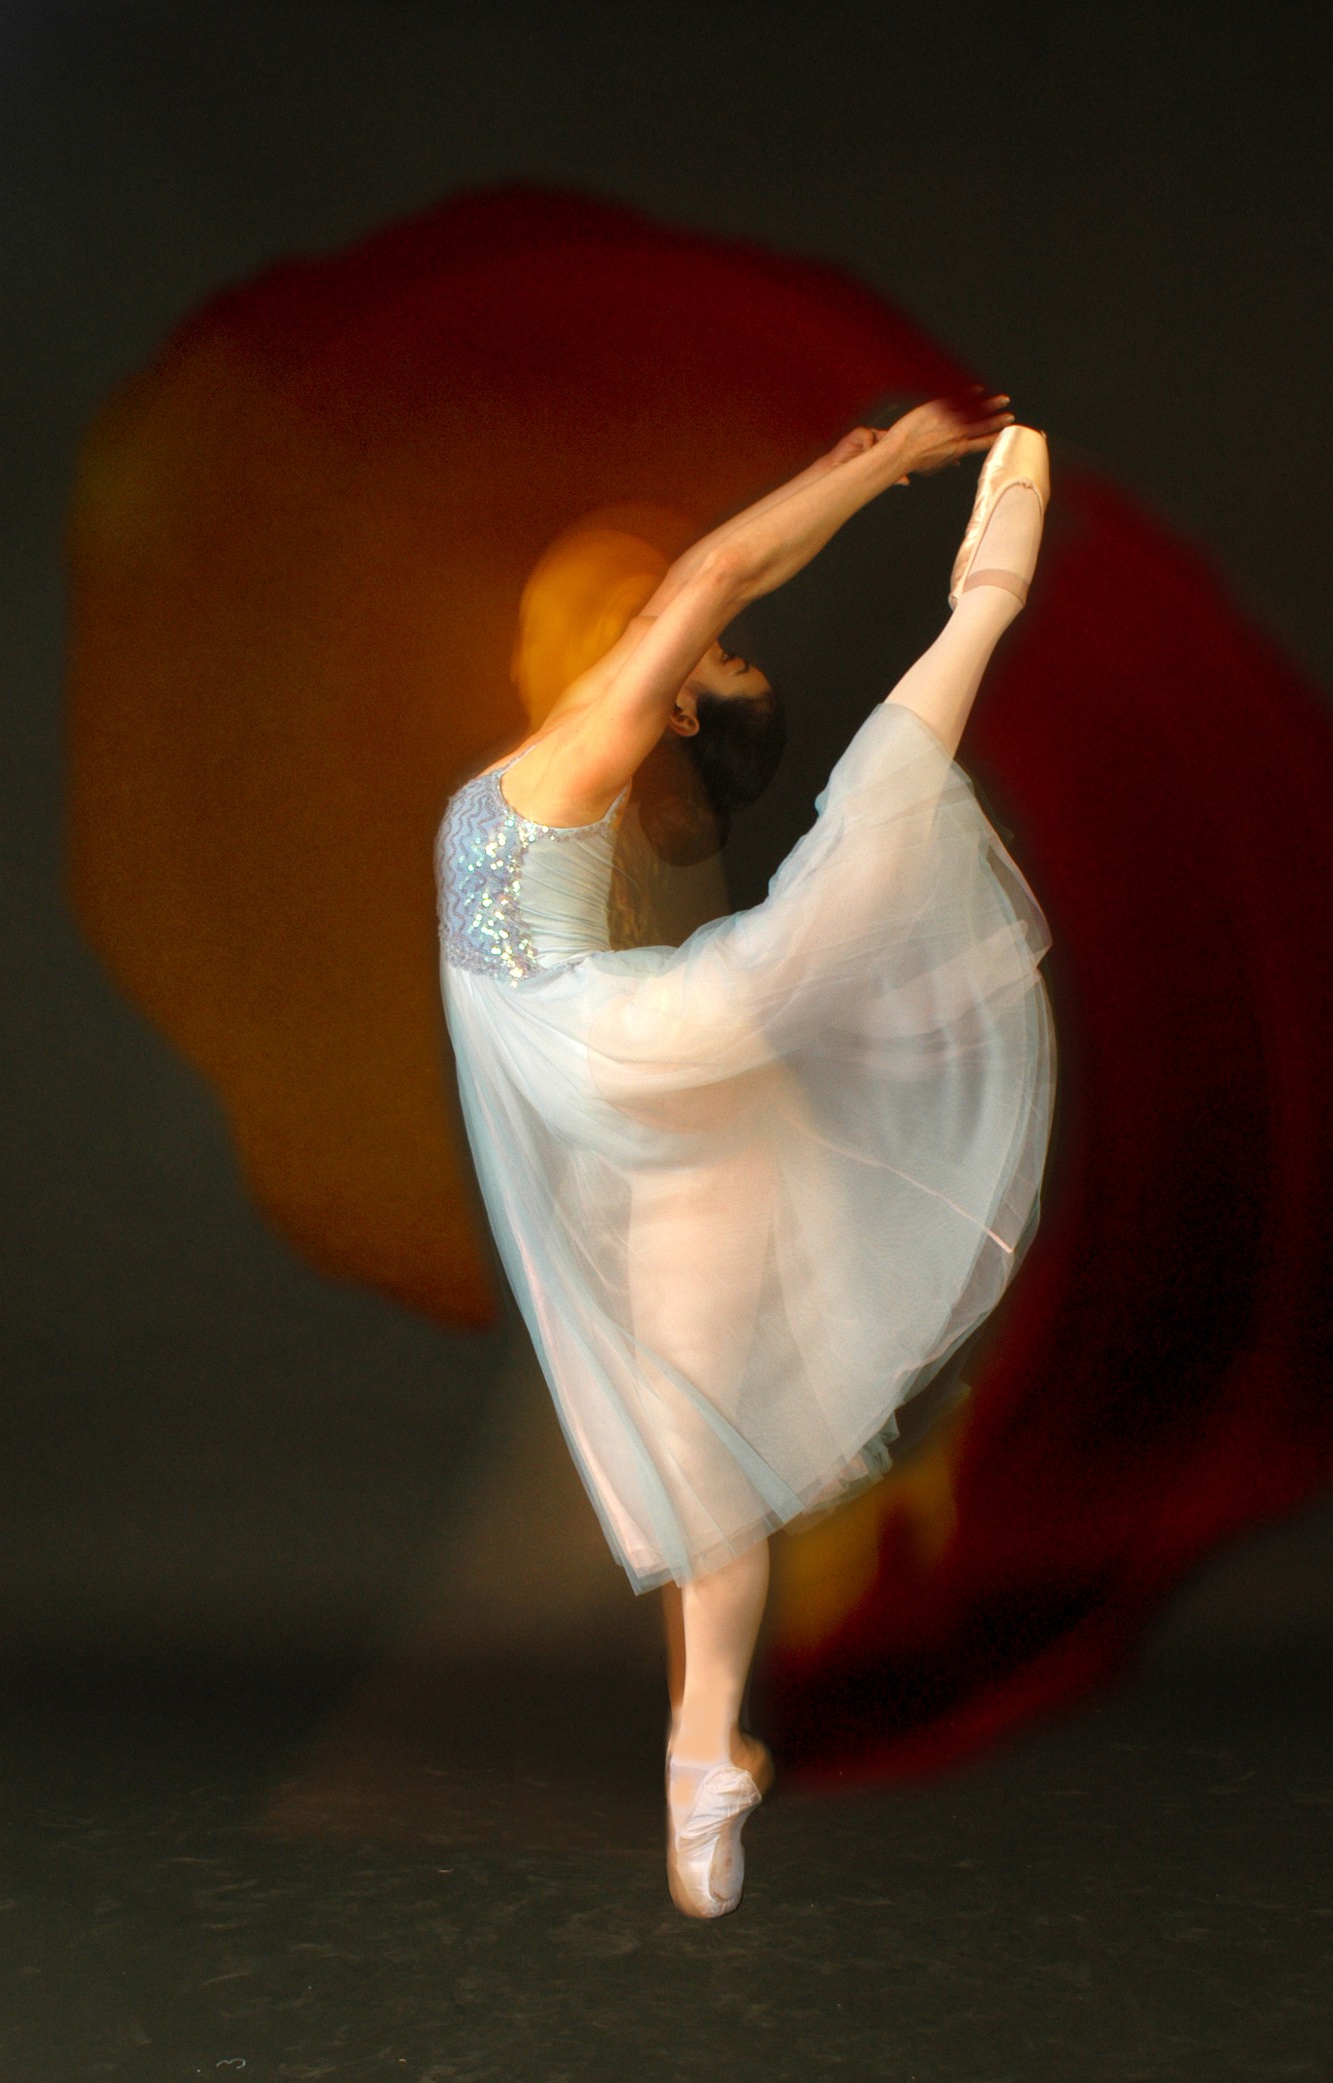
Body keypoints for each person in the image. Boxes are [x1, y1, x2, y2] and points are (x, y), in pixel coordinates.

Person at [435, 394, 1056, 1918]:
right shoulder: (575, 746)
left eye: (703, 659)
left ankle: (986, 601)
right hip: (626, 1074)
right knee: (697, 1441)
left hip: (619, 1061)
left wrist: (885, 463)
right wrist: (859, 468)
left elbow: (710, 572)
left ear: (677, 713)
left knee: (700, 1440)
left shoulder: (598, 735)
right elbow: (707, 580)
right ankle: (703, 1763)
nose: (681, 635)